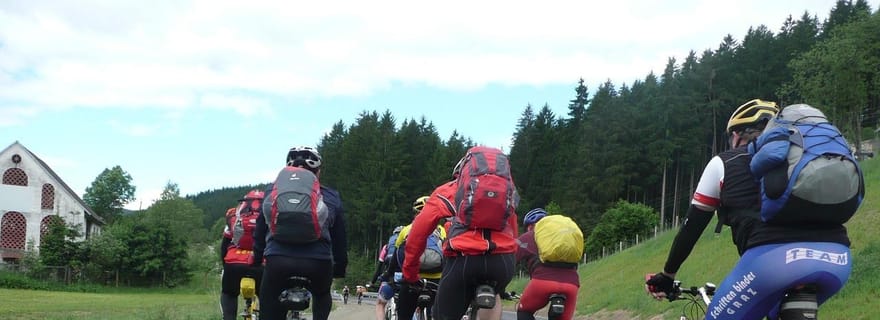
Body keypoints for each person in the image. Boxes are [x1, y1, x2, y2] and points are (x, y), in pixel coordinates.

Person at [645, 99, 852, 319]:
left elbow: (692, 227)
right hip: (836, 259)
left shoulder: (723, 162)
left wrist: (667, 276)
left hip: (773, 264)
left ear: (737, 135)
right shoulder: (804, 159)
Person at [402, 148, 519, 320]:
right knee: (495, 294)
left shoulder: (448, 191)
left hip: (464, 260)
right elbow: (514, 233)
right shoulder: (507, 193)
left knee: (442, 315)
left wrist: (410, 273)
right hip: (502, 262)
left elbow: (418, 233)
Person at [252, 146, 348, 320]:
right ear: (317, 172)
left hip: (278, 260)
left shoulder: (272, 191)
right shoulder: (331, 195)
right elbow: (339, 237)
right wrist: (339, 267)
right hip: (318, 262)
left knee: (269, 299)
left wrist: (257, 258)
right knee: (321, 294)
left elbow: (260, 229)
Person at [515, 208, 580, 320]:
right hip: (571, 285)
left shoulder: (528, 236)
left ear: (530, 227)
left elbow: (510, 260)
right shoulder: (562, 237)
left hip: (542, 283)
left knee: (524, 311)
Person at [390, 196, 447, 320]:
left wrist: (387, 276)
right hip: (436, 280)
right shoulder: (441, 231)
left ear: (415, 213)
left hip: (413, 279)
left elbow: (397, 259)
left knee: (403, 314)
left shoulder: (406, 230)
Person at [219, 190, 265, 320]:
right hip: (261, 263)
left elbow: (224, 246)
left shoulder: (234, 216)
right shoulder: (270, 215)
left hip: (234, 263)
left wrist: (226, 266)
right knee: (268, 297)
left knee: (229, 293)